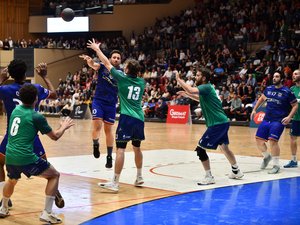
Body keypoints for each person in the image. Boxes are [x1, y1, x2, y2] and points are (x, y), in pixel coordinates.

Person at [0, 84, 74, 223]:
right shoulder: (36, 116)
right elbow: (55, 136)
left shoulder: (15, 110)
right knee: (54, 175)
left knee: (12, 179)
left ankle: (3, 208)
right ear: (36, 99)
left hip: (10, 156)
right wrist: (63, 126)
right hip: (26, 157)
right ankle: (47, 213)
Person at [0, 60, 64, 208]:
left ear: (11, 73)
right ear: (25, 73)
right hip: (31, 136)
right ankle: (56, 191)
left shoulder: (5, 89)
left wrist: (2, 78)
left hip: (12, 137)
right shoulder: (34, 88)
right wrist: (45, 76)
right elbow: (54, 95)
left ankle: (4, 199)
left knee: (1, 163)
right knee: (46, 167)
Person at [87, 38, 145, 192]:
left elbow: (106, 63)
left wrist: (97, 49)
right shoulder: (141, 82)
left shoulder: (122, 78)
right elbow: (103, 65)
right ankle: (139, 177)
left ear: (126, 70)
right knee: (137, 148)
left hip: (127, 117)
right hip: (140, 118)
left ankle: (115, 182)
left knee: (121, 149)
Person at [176, 67, 243, 185]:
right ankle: (236, 170)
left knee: (200, 149)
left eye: (198, 75)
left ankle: (209, 176)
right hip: (222, 122)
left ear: (204, 78)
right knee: (224, 148)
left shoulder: (206, 86)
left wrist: (179, 79)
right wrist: (187, 95)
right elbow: (199, 98)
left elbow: (191, 90)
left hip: (217, 124)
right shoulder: (208, 88)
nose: (196, 77)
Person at [79, 50, 122, 169]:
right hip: (98, 101)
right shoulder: (103, 66)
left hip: (111, 104)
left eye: (118, 58)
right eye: (114, 57)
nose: (116, 59)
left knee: (108, 131)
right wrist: (90, 61)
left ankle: (109, 156)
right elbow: (94, 65)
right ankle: (95, 144)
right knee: (97, 126)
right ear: (110, 58)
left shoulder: (121, 73)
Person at [251, 71, 298, 174]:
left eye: (276, 76)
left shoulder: (287, 91)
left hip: (278, 120)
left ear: (281, 79)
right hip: (267, 119)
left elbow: (295, 105)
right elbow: (261, 99)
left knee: (273, 141)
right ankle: (267, 157)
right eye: (273, 76)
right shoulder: (268, 89)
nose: (274, 78)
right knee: (259, 140)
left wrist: (290, 117)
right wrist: (254, 109)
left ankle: (276, 165)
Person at [284, 69, 300, 168]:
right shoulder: (292, 89)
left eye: (296, 74)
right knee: (293, 138)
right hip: (296, 119)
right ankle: (294, 160)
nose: (293, 76)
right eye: (293, 74)